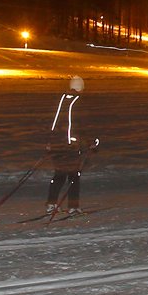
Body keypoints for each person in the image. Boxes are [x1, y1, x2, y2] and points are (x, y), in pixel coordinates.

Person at [45, 75, 97, 215]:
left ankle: (51, 203)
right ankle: (73, 206)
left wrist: (50, 142)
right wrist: (92, 142)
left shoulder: (62, 100)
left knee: (59, 175)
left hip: (56, 144)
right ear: (81, 87)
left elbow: (53, 122)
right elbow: (82, 125)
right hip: (70, 147)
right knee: (74, 176)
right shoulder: (79, 102)